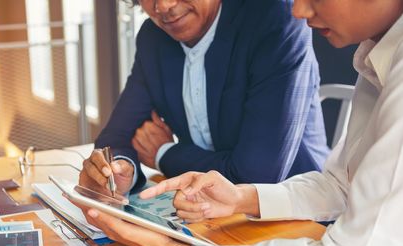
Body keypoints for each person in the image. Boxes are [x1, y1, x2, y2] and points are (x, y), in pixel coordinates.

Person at [82, 0, 403, 246]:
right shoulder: (378, 54)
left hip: (329, 244)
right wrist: (241, 198)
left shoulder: (272, 21)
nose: (299, 10)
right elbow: (340, 186)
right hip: (283, 230)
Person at [79, 0, 329, 196]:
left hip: (296, 214)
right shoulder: (153, 38)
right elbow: (116, 137)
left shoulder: (275, 20)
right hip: (206, 213)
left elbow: (257, 176)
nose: (163, 6)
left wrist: (164, 154)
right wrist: (120, 170)